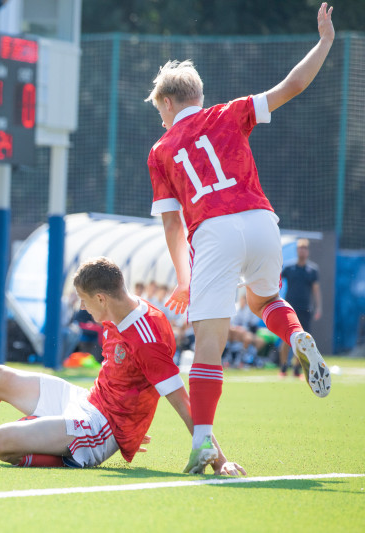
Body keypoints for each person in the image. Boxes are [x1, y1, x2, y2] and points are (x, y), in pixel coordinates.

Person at [145, 4, 334, 471]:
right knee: (262, 299)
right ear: (200, 95)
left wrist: (184, 278)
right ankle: (296, 335)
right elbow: (291, 86)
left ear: (168, 103)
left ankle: (203, 443)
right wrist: (324, 42)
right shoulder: (229, 113)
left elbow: (172, 225)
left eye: (160, 112)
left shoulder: (161, 149)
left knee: (207, 342)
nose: (161, 121)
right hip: (262, 221)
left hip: (212, 230)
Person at [0, 257, 245, 475]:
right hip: (88, 401)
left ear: (102, 298)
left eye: (84, 301)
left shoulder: (145, 335)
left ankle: (73, 456)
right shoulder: (116, 312)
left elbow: (181, 399)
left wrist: (217, 460)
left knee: (3, 441)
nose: (82, 308)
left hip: (102, 427)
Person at [279, 238, 322, 378]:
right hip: (289, 309)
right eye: (299, 248)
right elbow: (277, 282)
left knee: (303, 341)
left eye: (304, 248)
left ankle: (297, 368)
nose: (302, 250)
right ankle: (283, 367)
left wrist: (318, 307)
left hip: (305, 309)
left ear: (307, 251)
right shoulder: (289, 268)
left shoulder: (312, 270)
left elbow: (316, 290)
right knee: (286, 339)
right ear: (297, 250)